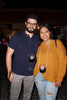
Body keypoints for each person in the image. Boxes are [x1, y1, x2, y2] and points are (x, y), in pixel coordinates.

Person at [6, 13, 40, 100]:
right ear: (25, 23)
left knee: (27, 95)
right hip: (16, 73)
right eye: (29, 23)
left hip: (31, 74)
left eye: (34, 24)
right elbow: (8, 54)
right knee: (14, 95)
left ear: (36, 25)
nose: (31, 26)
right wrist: (9, 71)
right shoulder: (16, 36)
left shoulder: (38, 38)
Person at [33, 24, 66, 100]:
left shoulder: (57, 43)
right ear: (39, 34)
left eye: (46, 32)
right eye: (41, 32)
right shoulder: (40, 45)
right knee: (42, 98)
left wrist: (59, 78)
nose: (44, 34)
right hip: (39, 76)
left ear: (50, 32)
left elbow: (63, 62)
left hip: (52, 77)